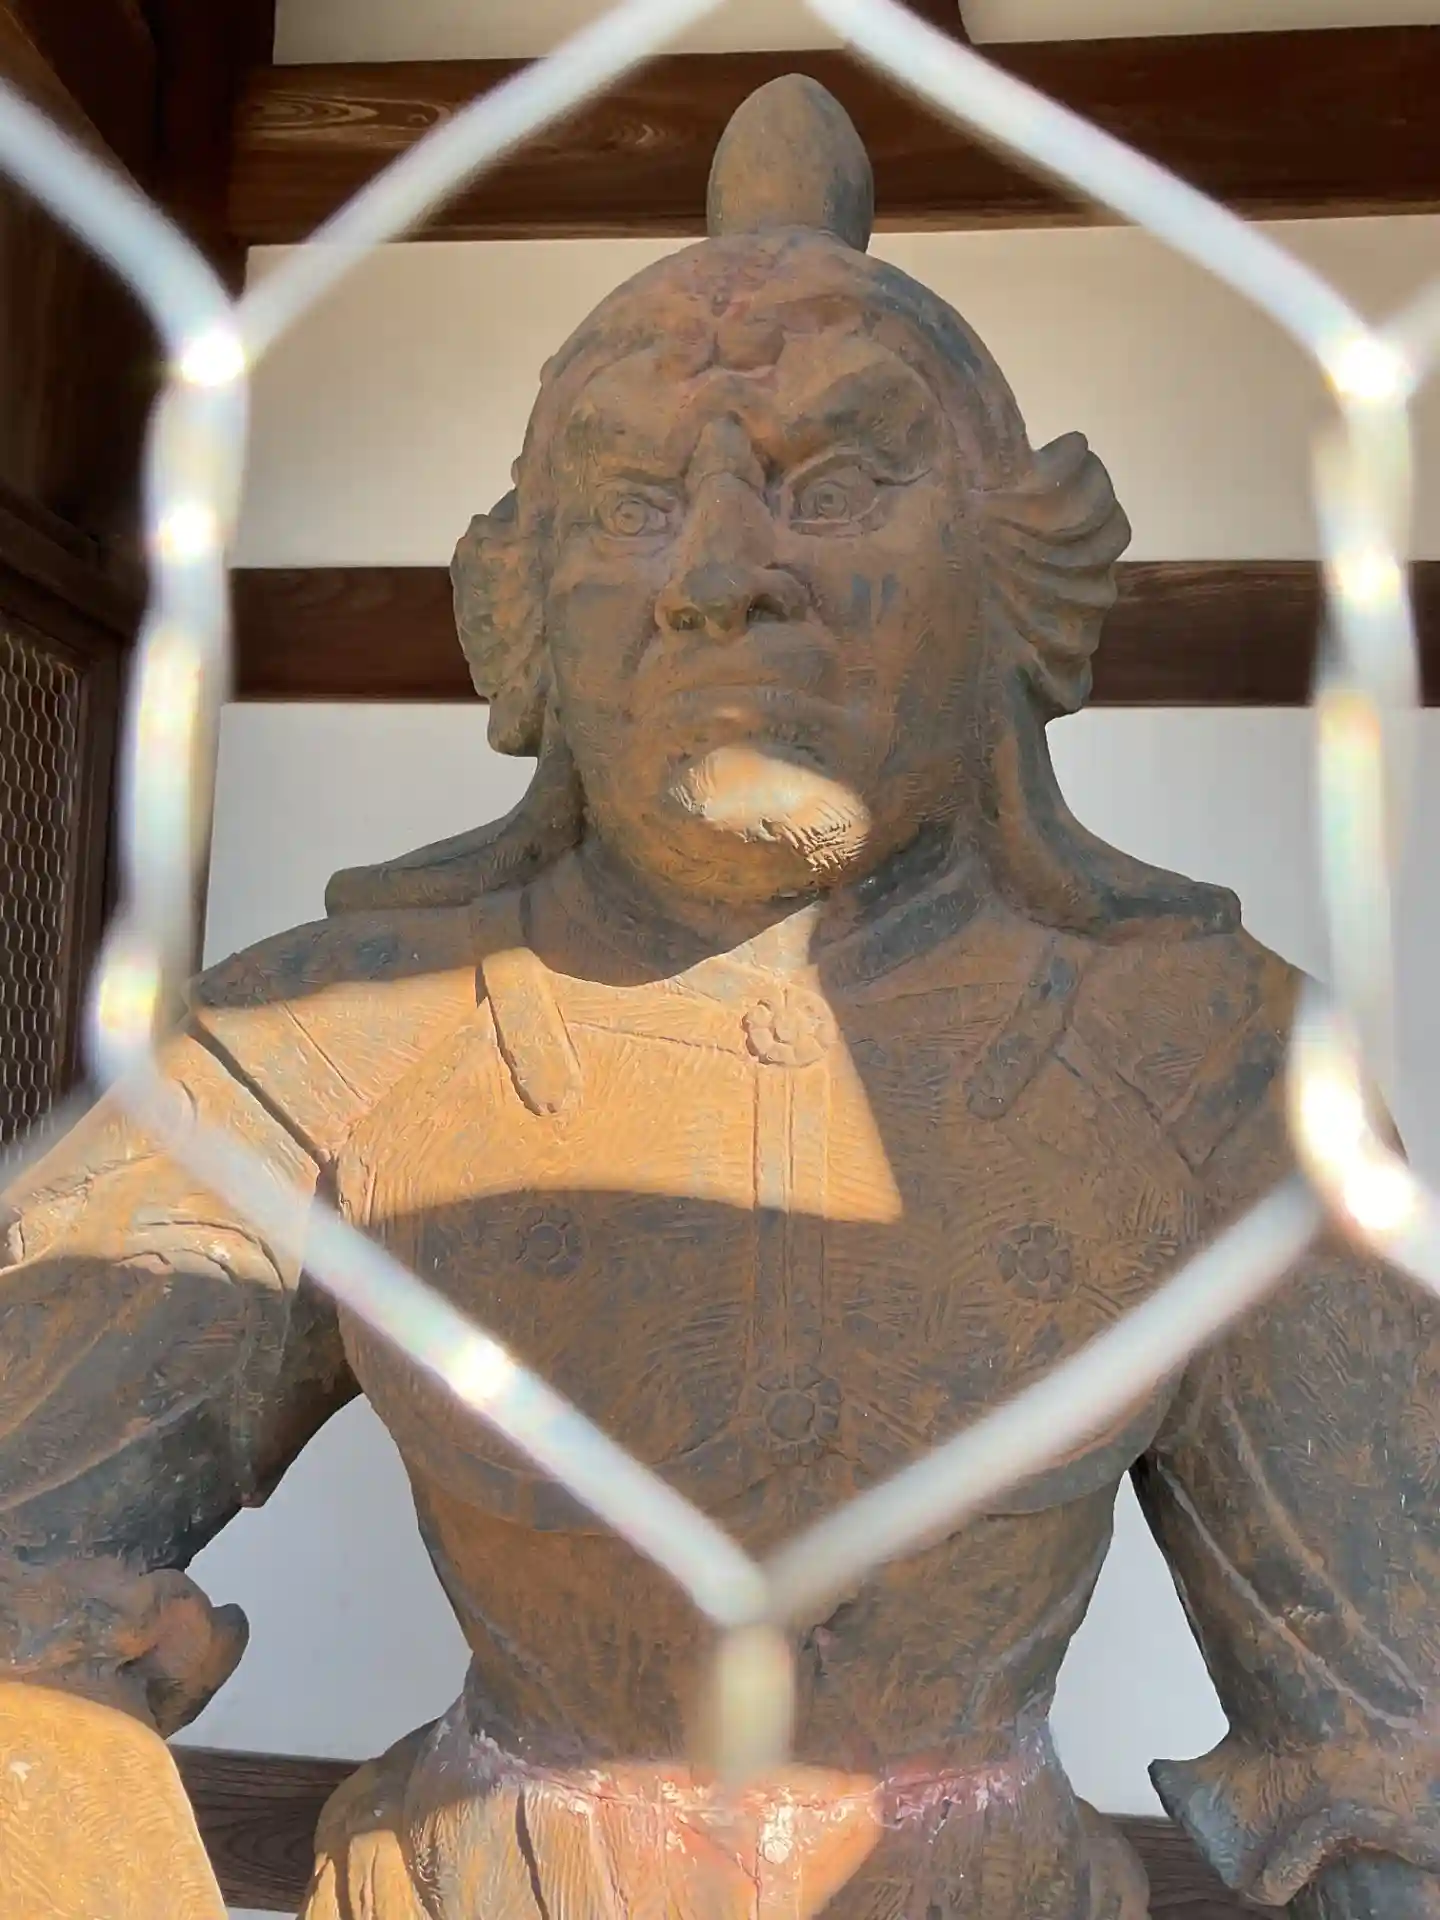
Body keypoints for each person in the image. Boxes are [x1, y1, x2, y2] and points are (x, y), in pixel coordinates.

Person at [3, 76, 1438, 1920]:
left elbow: (1393, 1748)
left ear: (1022, 581)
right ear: (521, 612)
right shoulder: (312, 1051)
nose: (721, 578)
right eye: (631, 501)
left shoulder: (1219, 1072)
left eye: (834, 487)